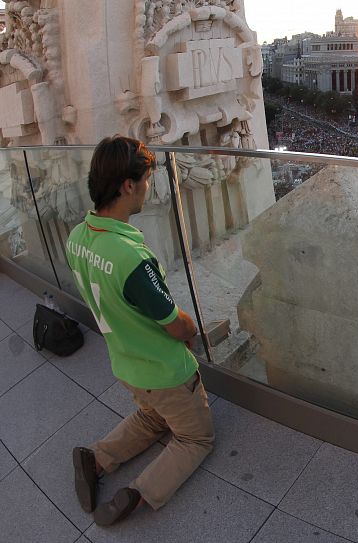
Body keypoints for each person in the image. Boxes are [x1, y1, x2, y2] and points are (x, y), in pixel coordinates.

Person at [66, 136, 214, 526]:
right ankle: (140, 492)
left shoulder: (77, 239)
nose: (150, 187)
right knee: (196, 438)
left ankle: (96, 458)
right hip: (164, 371)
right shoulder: (132, 259)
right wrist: (192, 329)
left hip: (126, 366)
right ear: (128, 185)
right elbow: (175, 323)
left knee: (153, 417)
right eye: (146, 180)